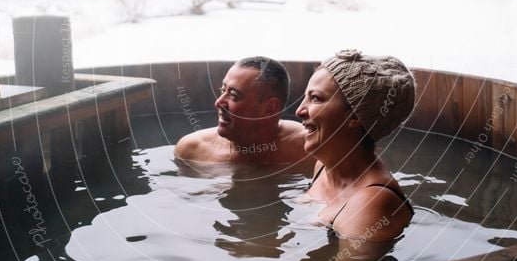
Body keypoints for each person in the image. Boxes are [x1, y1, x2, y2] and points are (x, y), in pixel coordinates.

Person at [296, 49, 416, 241]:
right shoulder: (323, 168)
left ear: (354, 116)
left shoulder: (370, 205)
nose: (299, 111)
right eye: (305, 97)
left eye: (315, 98)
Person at [174, 57, 310, 165]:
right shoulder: (192, 150)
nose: (218, 103)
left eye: (234, 95)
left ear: (270, 108)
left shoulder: (307, 150)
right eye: (222, 90)